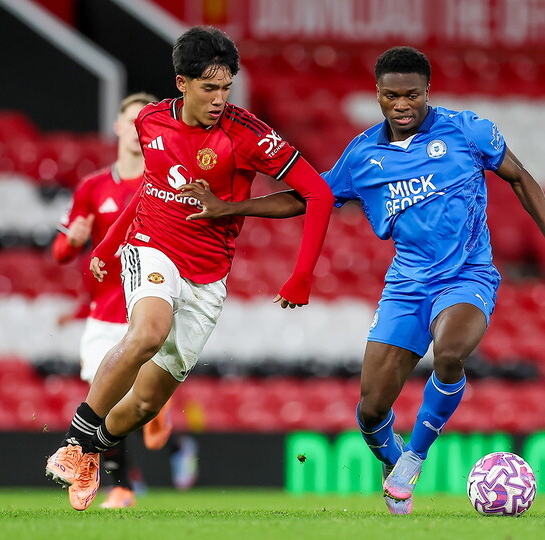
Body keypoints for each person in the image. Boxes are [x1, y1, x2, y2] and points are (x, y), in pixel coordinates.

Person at [180, 46, 545, 515]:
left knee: (450, 353)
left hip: (467, 275)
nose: (402, 105)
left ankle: (414, 456)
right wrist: (231, 209)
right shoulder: (363, 155)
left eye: (412, 95)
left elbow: (521, 178)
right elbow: (311, 198)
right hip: (407, 284)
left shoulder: (467, 131)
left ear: (427, 91)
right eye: (392, 96)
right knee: (371, 410)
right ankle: (395, 469)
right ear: (377, 94)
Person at [44, 26, 334, 511]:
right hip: (152, 246)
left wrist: (297, 269)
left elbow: (317, 194)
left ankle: (92, 451)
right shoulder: (151, 121)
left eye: (227, 87)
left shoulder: (247, 135)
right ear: (181, 83)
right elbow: (148, 192)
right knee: (147, 332)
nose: (221, 98)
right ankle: (75, 443)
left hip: (209, 273)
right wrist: (111, 245)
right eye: (209, 87)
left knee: (145, 404)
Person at [51, 92, 200, 508]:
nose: (137, 131)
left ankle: (165, 444)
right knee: (103, 398)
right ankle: (123, 485)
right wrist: (72, 243)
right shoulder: (92, 187)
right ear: (117, 127)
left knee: (132, 403)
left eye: (144, 122)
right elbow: (61, 251)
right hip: (104, 313)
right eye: (130, 121)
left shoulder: (166, 184)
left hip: (147, 312)